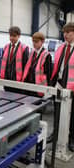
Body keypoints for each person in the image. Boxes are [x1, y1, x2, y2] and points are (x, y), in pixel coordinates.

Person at [51, 22, 74, 151]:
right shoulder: (61, 48)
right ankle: (55, 134)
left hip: (72, 87)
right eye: (64, 32)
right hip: (60, 84)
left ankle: (71, 139)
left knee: (72, 115)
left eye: (68, 33)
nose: (65, 35)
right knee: (57, 111)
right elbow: (57, 66)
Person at [22, 32, 52, 96]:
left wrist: (48, 88)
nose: (34, 44)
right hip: (28, 85)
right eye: (33, 41)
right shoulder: (32, 53)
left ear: (42, 41)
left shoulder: (47, 55)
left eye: (36, 42)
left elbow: (48, 73)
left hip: (38, 86)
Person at [0, 26, 29, 93]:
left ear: (19, 36)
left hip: (18, 81)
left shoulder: (24, 48)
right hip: (6, 80)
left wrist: (23, 81)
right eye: (10, 36)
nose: (12, 38)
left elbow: (25, 66)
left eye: (14, 36)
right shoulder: (6, 47)